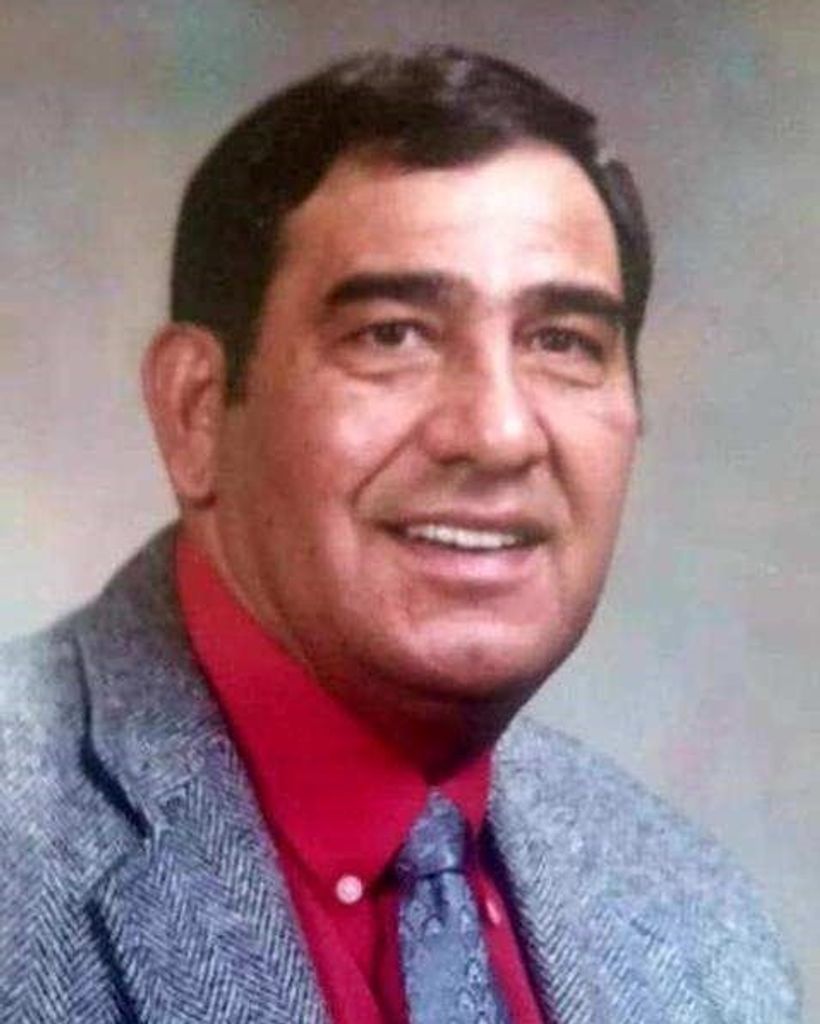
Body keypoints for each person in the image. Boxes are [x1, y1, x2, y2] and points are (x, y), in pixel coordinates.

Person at [0, 47, 800, 1024]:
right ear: (197, 410)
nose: (498, 434)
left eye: (562, 342)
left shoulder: (694, 917)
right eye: (392, 334)